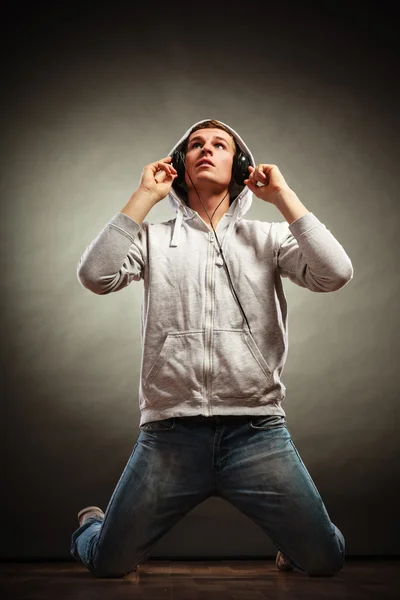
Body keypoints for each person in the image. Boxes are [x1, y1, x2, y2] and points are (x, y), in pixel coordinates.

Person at [71, 119, 353, 579]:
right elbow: (95, 275)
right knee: (108, 563)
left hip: (256, 431)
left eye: (219, 144)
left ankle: (304, 537)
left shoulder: (269, 238)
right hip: (170, 435)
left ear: (240, 164)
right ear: (180, 166)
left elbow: (335, 273)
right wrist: (144, 197)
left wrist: (284, 198)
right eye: (195, 145)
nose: (206, 149)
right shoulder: (154, 238)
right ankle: (94, 525)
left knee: (325, 560)